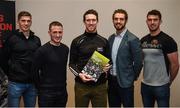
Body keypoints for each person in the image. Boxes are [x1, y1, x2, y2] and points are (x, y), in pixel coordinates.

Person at [69, 9, 111, 107]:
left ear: (97, 21)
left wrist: (107, 67)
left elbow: (110, 61)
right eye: (88, 20)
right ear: (84, 22)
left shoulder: (104, 41)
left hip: (100, 86)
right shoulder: (76, 41)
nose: (91, 23)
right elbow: (71, 64)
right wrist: (79, 75)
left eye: (93, 20)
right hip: (81, 86)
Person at [141, 9, 179, 107]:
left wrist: (168, 81)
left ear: (160, 21)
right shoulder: (143, 40)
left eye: (155, 20)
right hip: (145, 85)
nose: (152, 22)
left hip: (161, 87)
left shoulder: (168, 40)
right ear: (146, 22)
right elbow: (140, 61)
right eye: (149, 20)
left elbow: (175, 64)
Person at [2, 11, 41, 107]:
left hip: (32, 84)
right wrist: (12, 73)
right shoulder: (11, 38)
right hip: (15, 83)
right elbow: (3, 59)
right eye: (23, 21)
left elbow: (38, 60)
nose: (26, 23)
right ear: (18, 22)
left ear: (31, 22)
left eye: (28, 21)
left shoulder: (36, 40)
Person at [108, 9, 143, 107]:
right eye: (116, 19)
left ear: (125, 21)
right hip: (111, 81)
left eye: (121, 19)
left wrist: (132, 77)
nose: (118, 21)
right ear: (113, 20)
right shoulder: (111, 38)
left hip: (125, 82)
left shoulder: (133, 39)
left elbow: (139, 62)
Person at [32, 21, 69, 107]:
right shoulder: (41, 51)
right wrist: (41, 88)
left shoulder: (65, 49)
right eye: (54, 32)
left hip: (62, 92)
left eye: (60, 32)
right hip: (46, 93)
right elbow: (34, 71)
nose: (57, 35)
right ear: (49, 33)